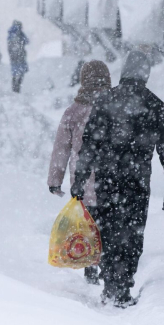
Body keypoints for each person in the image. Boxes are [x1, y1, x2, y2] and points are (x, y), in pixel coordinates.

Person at [73, 51, 164, 308]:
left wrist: (79, 179)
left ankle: (110, 281)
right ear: (145, 74)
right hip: (137, 182)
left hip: (106, 180)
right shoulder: (155, 105)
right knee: (131, 235)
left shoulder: (104, 101)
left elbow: (90, 144)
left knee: (107, 230)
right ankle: (122, 286)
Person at [47, 61, 112, 285]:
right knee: (108, 228)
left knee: (86, 229)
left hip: (83, 182)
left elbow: (61, 148)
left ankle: (90, 270)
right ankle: (108, 270)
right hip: (112, 182)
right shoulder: (115, 106)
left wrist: (55, 180)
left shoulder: (73, 111)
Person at [7, 20, 29, 93]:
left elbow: (9, 47)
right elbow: (27, 41)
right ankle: (17, 89)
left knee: (15, 73)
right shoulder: (19, 34)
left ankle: (14, 89)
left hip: (14, 58)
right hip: (20, 57)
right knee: (20, 74)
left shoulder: (10, 34)